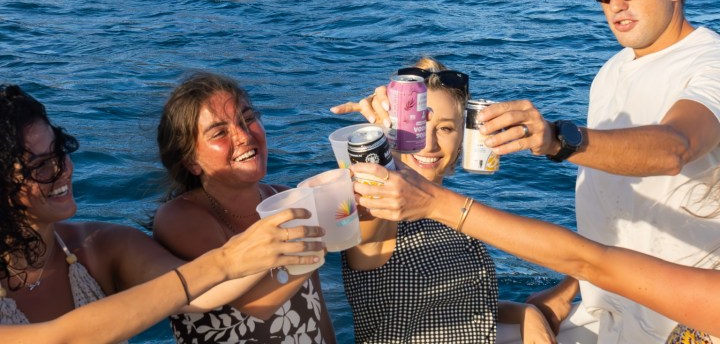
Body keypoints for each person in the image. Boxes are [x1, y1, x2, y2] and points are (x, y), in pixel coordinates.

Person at [469, 0, 720, 342]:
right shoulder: (611, 72)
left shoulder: (709, 65)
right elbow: (617, 211)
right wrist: (569, 289)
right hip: (605, 311)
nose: (617, 4)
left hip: (683, 321)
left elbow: (674, 148)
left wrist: (557, 140)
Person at [0, 84, 325, 342]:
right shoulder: (176, 219)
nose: (63, 169)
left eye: (60, 149)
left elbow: (203, 293)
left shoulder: (100, 247)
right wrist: (225, 261)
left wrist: (314, 228)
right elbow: (63, 339)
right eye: (40, 166)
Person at [348, 161, 720, 342]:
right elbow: (364, 202)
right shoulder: (389, 224)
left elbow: (594, 263)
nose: (428, 143)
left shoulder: (437, 217)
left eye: (445, 128)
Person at [331, 57, 555, 343]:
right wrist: (378, 137)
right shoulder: (380, 210)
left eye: (446, 128)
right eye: (417, 124)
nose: (429, 143)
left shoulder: (449, 209)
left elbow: (464, 310)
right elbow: (370, 195)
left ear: (463, 137)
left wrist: (526, 314)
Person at [152, 72, 337, 343]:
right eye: (219, 132)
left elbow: (316, 308)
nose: (242, 135)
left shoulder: (286, 198)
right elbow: (254, 304)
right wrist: (327, 237)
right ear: (191, 160)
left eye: (248, 119)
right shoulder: (181, 218)